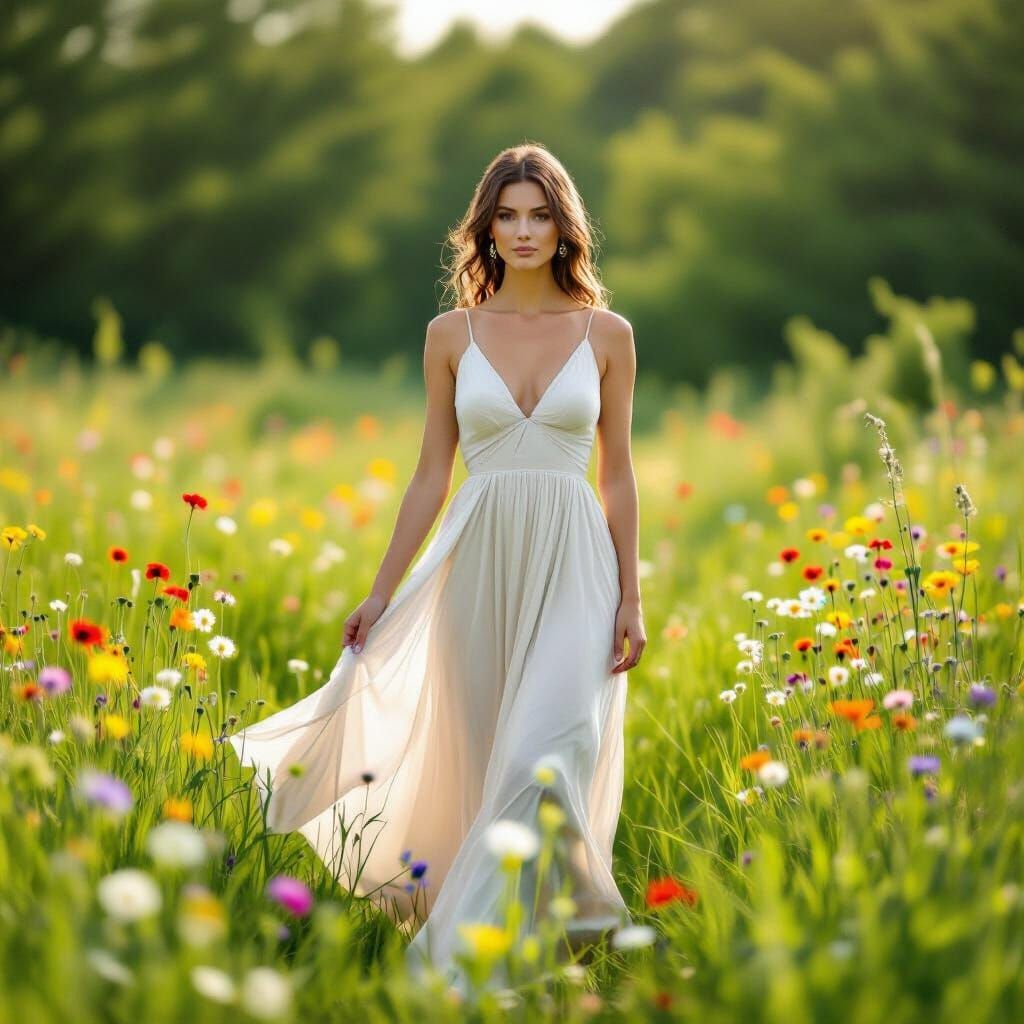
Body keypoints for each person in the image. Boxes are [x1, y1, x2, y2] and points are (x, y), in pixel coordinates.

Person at [228, 142, 646, 994]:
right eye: (508, 215)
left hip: (577, 565)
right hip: (475, 562)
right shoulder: (450, 335)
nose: (523, 231)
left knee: (545, 757)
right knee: (483, 765)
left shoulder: (607, 335)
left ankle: (457, 974)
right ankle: (535, 947)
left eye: (539, 215)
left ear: (563, 227)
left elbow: (618, 474)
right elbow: (430, 474)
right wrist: (381, 591)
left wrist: (631, 596)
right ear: (485, 228)